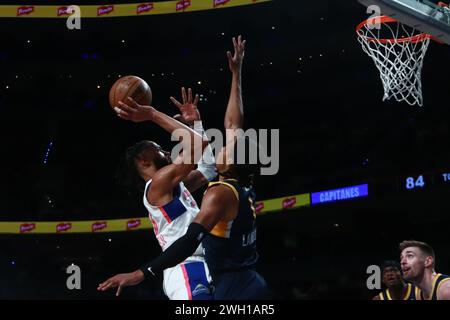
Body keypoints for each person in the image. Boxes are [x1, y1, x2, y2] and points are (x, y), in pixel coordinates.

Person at [98, 87, 217, 300]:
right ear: (144, 162)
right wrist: (152, 114)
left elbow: (209, 169)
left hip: (204, 260)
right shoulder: (158, 183)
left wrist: (195, 124)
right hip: (185, 267)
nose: (166, 151)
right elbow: (197, 145)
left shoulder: (172, 185)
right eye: (159, 150)